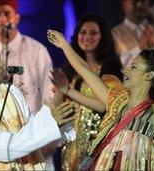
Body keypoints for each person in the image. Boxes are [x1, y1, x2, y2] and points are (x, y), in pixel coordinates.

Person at [47, 29, 154, 170]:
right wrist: (64, 45)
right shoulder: (117, 101)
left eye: (134, 67)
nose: (125, 71)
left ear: (149, 75)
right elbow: (84, 69)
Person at [0, 34, 77, 170]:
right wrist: (49, 122)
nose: (3, 63)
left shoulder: (10, 90)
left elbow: (29, 126)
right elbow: (2, 147)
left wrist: (58, 120)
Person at [51, 14, 123, 171]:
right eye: (82, 32)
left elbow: (104, 106)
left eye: (93, 33)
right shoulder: (69, 72)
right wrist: (59, 90)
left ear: (103, 37)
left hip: (99, 146)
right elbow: (56, 110)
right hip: (72, 148)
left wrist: (67, 90)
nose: (87, 37)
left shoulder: (110, 72)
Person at [0, 0, 54, 114]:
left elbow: (48, 93)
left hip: (32, 126)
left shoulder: (37, 50)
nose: (2, 19)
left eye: (7, 13)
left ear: (17, 17)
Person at [112, 0, 154, 68]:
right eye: (134, 2)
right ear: (123, 4)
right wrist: (140, 48)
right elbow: (114, 67)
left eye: (143, 1)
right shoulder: (113, 36)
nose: (139, 5)